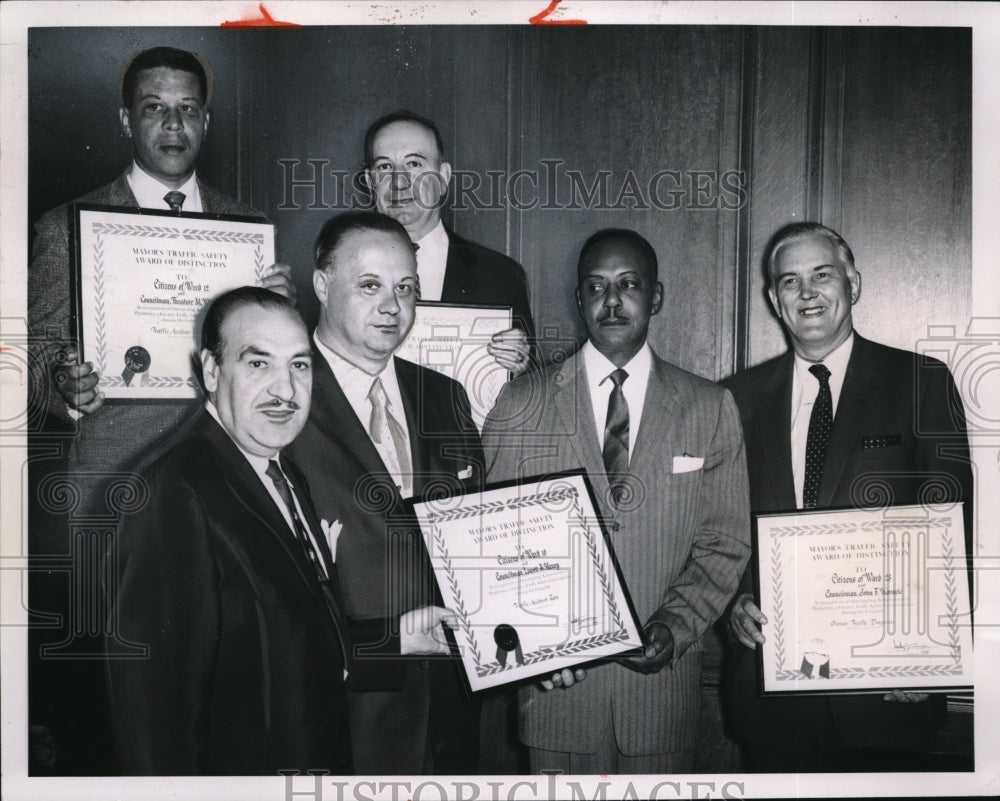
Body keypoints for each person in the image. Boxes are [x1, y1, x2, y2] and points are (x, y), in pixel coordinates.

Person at [481, 228, 751, 773]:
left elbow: (725, 544)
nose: (611, 301)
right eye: (596, 286)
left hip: (661, 703)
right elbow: (491, 541)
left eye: (628, 284)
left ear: (655, 296)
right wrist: (533, 641)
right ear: (578, 298)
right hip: (557, 698)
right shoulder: (521, 400)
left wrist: (675, 626)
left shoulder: (709, 407)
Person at [722, 222, 974, 772]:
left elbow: (953, 524)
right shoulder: (735, 400)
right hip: (772, 687)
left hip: (884, 690)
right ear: (773, 300)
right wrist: (734, 603)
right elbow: (720, 528)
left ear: (853, 283)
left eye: (822, 275)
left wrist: (929, 656)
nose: (807, 292)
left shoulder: (920, 382)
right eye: (789, 281)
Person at [104, 287, 351, 774]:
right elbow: (156, 715)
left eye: (299, 365)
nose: (286, 390)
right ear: (212, 371)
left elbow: (283, 635)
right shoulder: (170, 493)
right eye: (258, 364)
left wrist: (395, 639)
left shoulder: (282, 471)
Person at [28, 45, 294, 466]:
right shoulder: (66, 227)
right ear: (125, 121)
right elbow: (30, 357)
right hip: (118, 477)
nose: (174, 124)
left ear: (205, 123)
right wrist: (65, 386)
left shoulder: (249, 228)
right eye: (154, 107)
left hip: (231, 471)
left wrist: (278, 315)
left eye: (188, 108)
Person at [285, 212, 483, 774]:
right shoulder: (282, 398)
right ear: (321, 285)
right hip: (338, 721)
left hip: (449, 719)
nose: (392, 307)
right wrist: (384, 642)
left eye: (406, 288)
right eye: (369, 286)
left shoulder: (445, 396)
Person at [363, 110, 534, 375]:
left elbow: (531, 389)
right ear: (369, 182)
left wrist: (520, 367)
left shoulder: (501, 276)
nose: (399, 182)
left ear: (443, 178)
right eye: (384, 167)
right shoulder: (340, 273)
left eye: (414, 164)